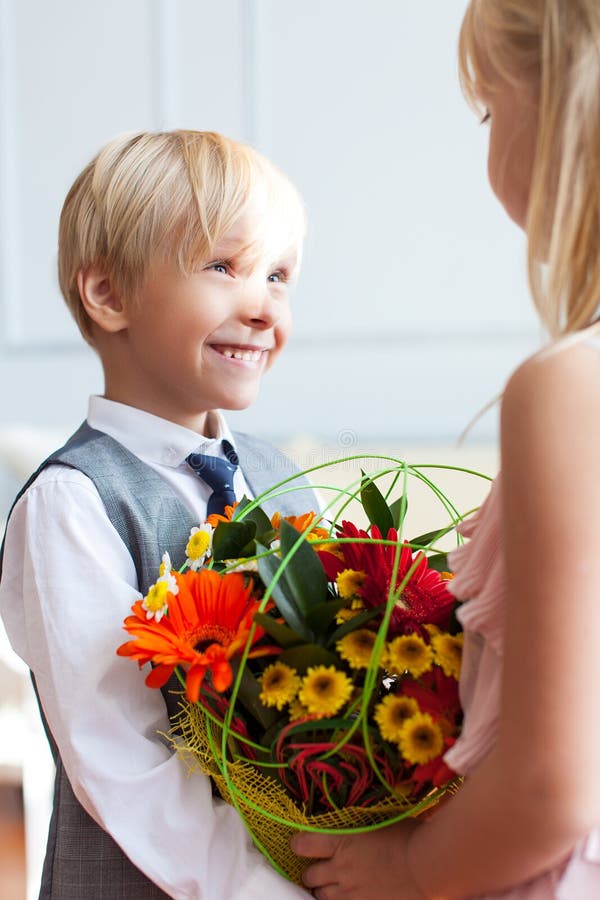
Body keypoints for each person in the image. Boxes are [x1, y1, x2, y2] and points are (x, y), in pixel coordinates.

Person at [291, 1, 600, 897]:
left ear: (560, 110)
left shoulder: (568, 387)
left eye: (489, 110)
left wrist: (413, 867)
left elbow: (552, 786)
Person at [0, 129, 317, 899]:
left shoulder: (283, 480)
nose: (261, 304)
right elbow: (123, 756)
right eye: (223, 267)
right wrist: (263, 888)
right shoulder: (72, 503)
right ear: (108, 295)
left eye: (278, 276)